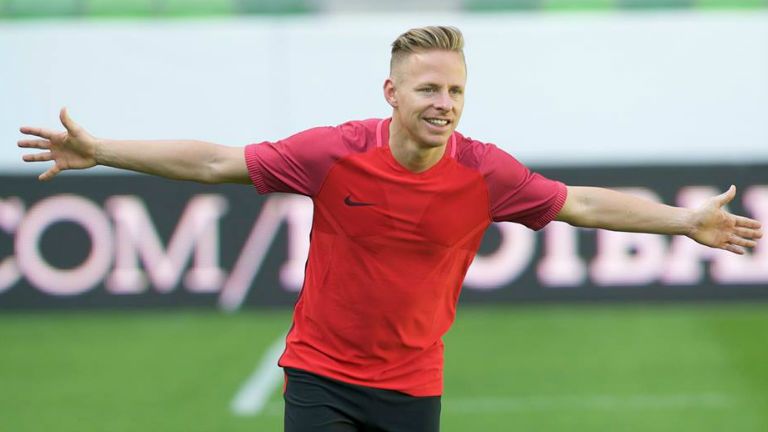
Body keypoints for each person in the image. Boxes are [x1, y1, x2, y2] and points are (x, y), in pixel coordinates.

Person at [18, 26, 762, 432]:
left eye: (456, 90)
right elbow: (216, 162)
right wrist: (102, 149)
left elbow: (583, 206)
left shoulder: (486, 172)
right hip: (320, 377)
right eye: (429, 88)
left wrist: (684, 220)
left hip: (412, 386)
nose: (445, 103)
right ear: (392, 92)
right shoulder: (332, 153)